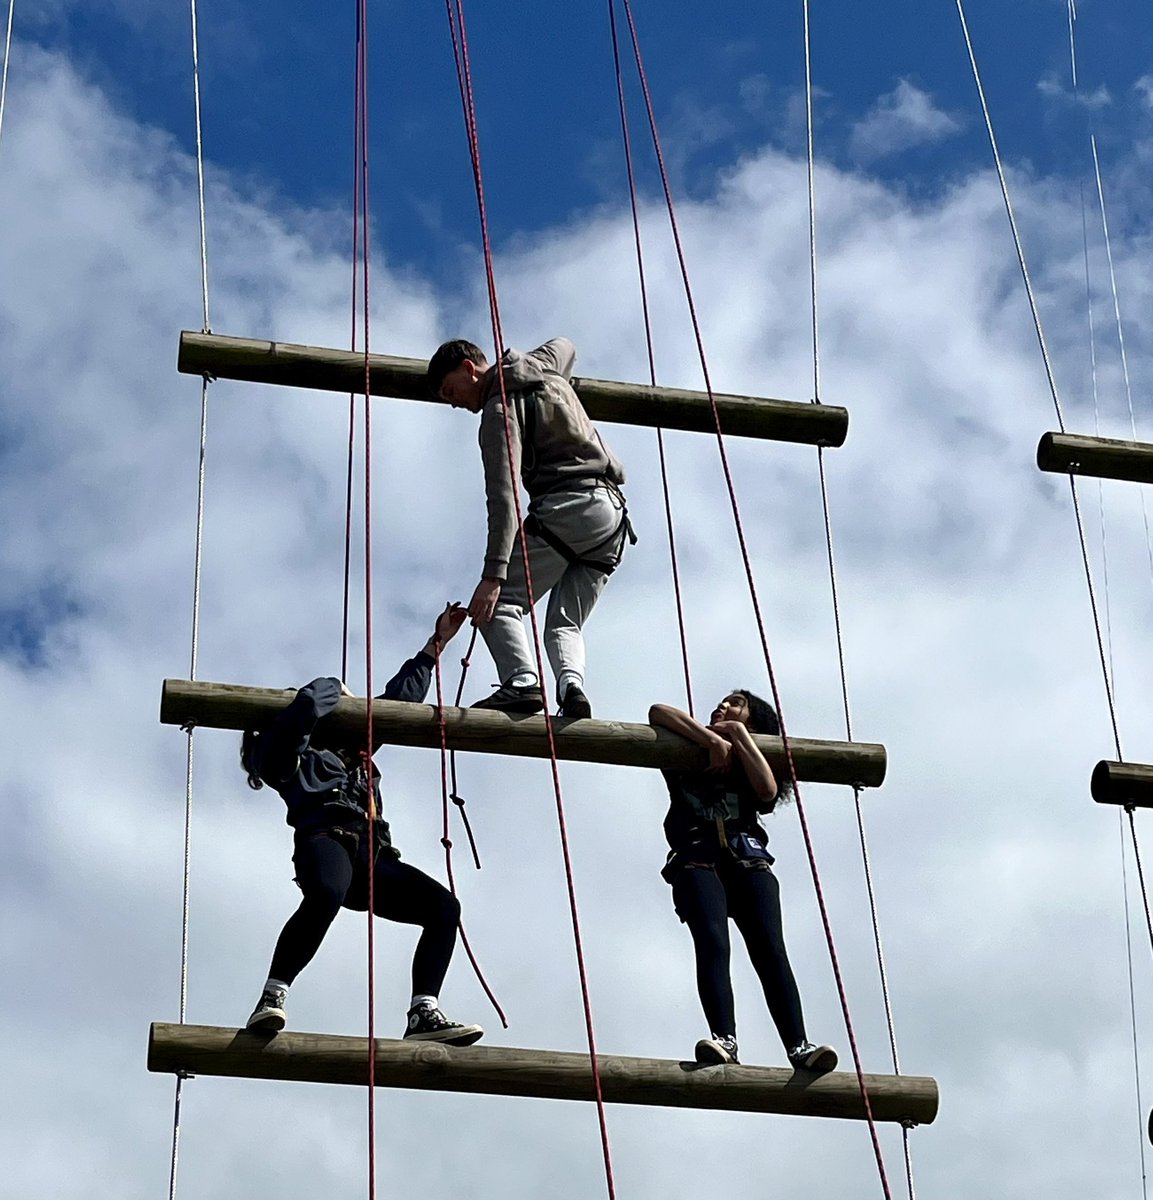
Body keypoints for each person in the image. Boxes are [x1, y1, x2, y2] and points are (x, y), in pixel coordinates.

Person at [240, 604, 483, 1046]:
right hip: (326, 839)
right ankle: (272, 996)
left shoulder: (359, 754)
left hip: (373, 857)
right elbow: (305, 711)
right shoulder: (289, 757)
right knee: (326, 895)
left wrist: (435, 646)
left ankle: (423, 1011)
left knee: (444, 908)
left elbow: (398, 704)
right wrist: (327, 688)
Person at [426, 336, 634, 719]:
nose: (453, 403)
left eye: (450, 391)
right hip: (612, 518)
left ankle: (522, 682)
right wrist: (546, 376)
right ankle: (572, 689)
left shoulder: (498, 409)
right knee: (564, 622)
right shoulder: (542, 367)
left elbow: (503, 497)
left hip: (568, 508)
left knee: (496, 605)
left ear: (470, 369)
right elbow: (567, 345)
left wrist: (493, 576)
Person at [649, 690, 837, 1071]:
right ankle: (725, 1038)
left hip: (747, 860)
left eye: (735, 703)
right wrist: (713, 739)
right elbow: (658, 711)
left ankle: (799, 1045)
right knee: (713, 942)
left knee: (770, 951)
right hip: (696, 856)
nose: (722, 706)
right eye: (721, 702)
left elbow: (767, 790)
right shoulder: (686, 742)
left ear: (754, 721)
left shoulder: (752, 756)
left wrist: (736, 733)